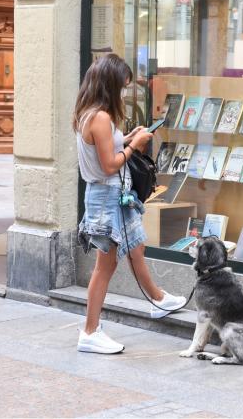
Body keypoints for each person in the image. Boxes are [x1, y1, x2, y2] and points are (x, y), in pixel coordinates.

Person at [73, 54, 186, 354]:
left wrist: (127, 138)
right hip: (107, 197)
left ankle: (158, 300)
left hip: (109, 196)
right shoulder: (100, 117)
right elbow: (109, 165)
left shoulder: (89, 113)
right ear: (109, 85)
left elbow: (105, 150)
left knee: (136, 248)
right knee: (105, 266)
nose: (124, 93)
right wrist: (134, 146)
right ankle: (90, 330)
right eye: (122, 87)